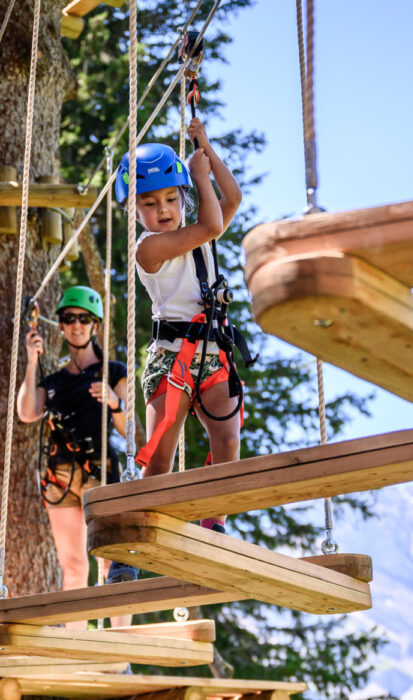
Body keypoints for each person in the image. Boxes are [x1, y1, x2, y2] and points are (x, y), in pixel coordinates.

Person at [115, 118, 248, 532]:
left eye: (172, 199)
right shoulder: (148, 249)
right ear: (133, 210)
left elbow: (233, 197)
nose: (163, 210)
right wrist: (197, 176)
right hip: (171, 361)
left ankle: (214, 524)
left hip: (213, 355)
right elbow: (211, 224)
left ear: (184, 198)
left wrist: (205, 148)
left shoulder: (200, 233)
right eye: (149, 203)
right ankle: (138, 533)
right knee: (160, 459)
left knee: (228, 441)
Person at [16, 286, 138, 623]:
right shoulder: (55, 380)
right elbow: (27, 412)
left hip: (100, 471)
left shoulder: (113, 371)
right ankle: (76, 639)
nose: (76, 325)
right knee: (72, 567)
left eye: (84, 319)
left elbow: (132, 433)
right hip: (60, 476)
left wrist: (115, 403)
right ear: (61, 325)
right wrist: (32, 361)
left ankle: (120, 643)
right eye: (69, 319)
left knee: (111, 562)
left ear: (94, 325)